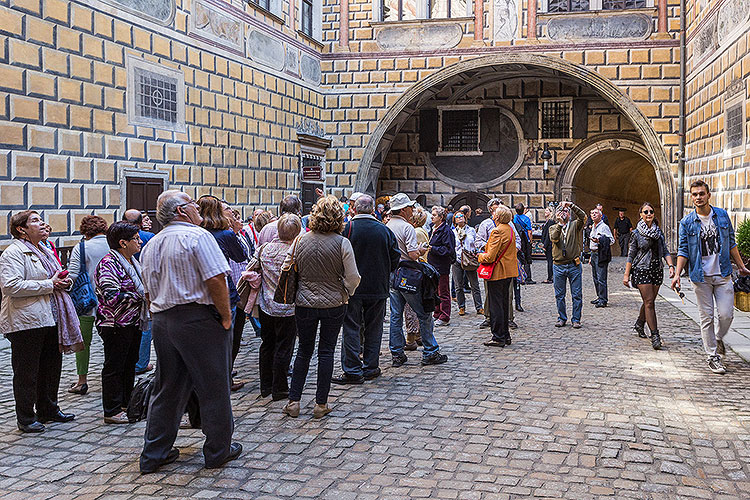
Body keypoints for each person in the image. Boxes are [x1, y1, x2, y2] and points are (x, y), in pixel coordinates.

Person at [139, 190, 241, 473]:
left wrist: (159, 314)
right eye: (193, 204)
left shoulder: (152, 244)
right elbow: (216, 279)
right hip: (198, 320)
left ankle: (154, 452)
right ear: (181, 211)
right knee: (214, 386)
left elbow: (148, 290)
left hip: (163, 320)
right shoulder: (197, 237)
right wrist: (225, 316)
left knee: (167, 387)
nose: (198, 208)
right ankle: (218, 450)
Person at [0, 211, 79, 433]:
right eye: (34, 220)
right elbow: (10, 286)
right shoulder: (13, 253)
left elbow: (56, 276)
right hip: (26, 320)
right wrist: (49, 284)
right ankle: (25, 417)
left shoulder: (45, 249)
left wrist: (64, 281)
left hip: (52, 316)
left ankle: (49, 409)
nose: (41, 223)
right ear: (21, 229)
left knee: (51, 367)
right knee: (27, 371)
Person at [282, 196, 361, 419]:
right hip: (334, 302)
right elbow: (353, 277)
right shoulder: (342, 242)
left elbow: (286, 266)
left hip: (305, 301)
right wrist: (345, 290)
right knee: (327, 351)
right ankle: (320, 404)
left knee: (304, 351)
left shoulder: (300, 240)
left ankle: (294, 401)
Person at [672, 180, 750, 374]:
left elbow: (731, 242)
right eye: (695, 194)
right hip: (700, 276)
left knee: (726, 314)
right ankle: (712, 356)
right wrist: (677, 274)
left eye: (701, 193)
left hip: (723, 273)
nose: (698, 197)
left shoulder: (722, 216)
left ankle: (718, 337)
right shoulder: (687, 222)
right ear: (691, 197)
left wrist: (741, 266)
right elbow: (683, 250)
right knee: (706, 317)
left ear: (708, 195)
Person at [333, 195, 399, 385]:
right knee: (374, 328)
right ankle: (371, 367)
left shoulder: (347, 229)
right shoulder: (384, 230)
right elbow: (395, 258)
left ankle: (352, 369)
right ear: (372, 209)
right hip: (378, 287)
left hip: (352, 288)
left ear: (355, 209)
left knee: (351, 327)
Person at [93, 222, 147, 424]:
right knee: (114, 367)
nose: (140, 241)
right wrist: (142, 296)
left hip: (133, 321)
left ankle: (126, 403)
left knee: (129, 364)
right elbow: (110, 295)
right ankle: (112, 409)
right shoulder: (109, 263)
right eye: (136, 238)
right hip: (115, 324)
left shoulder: (131, 261)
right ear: (123, 243)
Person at [387, 193, 448, 367]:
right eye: (411, 208)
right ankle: (430, 351)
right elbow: (413, 255)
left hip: (393, 274)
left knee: (396, 315)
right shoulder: (407, 228)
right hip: (408, 275)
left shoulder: (387, 226)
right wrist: (421, 250)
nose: (412, 211)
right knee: (424, 313)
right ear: (404, 210)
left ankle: (397, 353)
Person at [253, 213, 301, 400]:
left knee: (267, 345)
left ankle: (265, 386)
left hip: (267, 305)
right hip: (288, 308)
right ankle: (280, 388)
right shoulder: (295, 253)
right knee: (284, 347)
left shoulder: (264, 249)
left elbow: (252, 268)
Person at [67, 215, 110, 395]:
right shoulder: (112, 244)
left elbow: (73, 274)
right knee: (110, 341)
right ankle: (109, 378)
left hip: (86, 302)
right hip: (109, 302)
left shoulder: (82, 247)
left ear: (85, 230)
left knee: (83, 342)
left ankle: (82, 381)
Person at [622, 202, 675, 350]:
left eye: (651, 211)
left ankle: (640, 323)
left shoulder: (659, 232)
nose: (649, 214)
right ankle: (655, 335)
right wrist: (626, 275)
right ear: (641, 215)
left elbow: (665, 251)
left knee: (648, 302)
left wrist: (671, 266)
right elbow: (631, 255)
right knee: (650, 302)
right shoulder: (636, 233)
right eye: (645, 212)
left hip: (656, 270)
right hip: (641, 269)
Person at [478, 206, 518, 347]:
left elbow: (490, 256)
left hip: (497, 272)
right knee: (504, 303)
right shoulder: (510, 230)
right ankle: (505, 335)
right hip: (508, 271)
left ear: (499, 217)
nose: (493, 215)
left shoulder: (497, 231)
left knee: (496, 306)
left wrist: (479, 256)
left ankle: (498, 336)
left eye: (495, 214)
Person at [123, 209, 156, 376]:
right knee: (146, 328)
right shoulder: (149, 237)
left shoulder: (116, 237)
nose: (139, 242)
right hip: (144, 289)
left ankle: (134, 362)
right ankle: (141, 362)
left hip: (129, 295)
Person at [549, 201, 586, 328]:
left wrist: (571, 205)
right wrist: (559, 224)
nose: (563, 213)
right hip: (558, 265)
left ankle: (576, 319)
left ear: (569, 215)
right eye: (560, 211)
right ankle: (562, 318)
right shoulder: (553, 228)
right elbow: (554, 238)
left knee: (576, 294)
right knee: (560, 295)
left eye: (565, 211)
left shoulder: (575, 225)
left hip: (573, 265)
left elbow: (583, 216)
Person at [404, 205, 429, 350]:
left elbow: (415, 254)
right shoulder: (419, 231)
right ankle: (418, 334)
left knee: (411, 308)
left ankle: (412, 337)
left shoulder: (416, 232)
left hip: (414, 272)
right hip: (419, 271)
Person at [428, 206, 456, 326]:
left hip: (441, 265)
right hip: (433, 264)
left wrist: (433, 249)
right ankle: (437, 312)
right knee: (435, 291)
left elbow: (448, 250)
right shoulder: (433, 228)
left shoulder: (446, 231)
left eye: (434, 215)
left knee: (443, 291)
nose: (431, 217)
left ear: (441, 217)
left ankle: (445, 316)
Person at [452, 211, 483, 316]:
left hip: (469, 259)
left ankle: (479, 307)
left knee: (475, 285)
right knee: (458, 286)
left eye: (461, 216)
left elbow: (475, 243)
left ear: (465, 218)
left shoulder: (471, 230)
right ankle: (461, 307)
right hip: (457, 259)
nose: (460, 218)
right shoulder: (453, 232)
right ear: (455, 220)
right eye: (457, 217)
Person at [588, 208, 614, 308]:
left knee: (601, 278)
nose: (593, 215)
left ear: (600, 216)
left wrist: (600, 241)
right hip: (594, 254)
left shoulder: (604, 227)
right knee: (595, 277)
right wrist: (591, 256)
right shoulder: (593, 227)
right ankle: (599, 296)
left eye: (595, 213)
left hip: (601, 254)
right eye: (592, 213)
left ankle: (603, 300)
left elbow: (611, 240)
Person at [513, 203, 535, 284]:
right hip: (525, 240)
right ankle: (527, 277)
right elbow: (529, 231)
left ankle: (518, 276)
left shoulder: (514, 218)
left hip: (517, 240)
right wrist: (530, 241)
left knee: (518, 258)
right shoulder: (526, 218)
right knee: (526, 259)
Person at [540, 207, 555, 283]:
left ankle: (550, 277)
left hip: (549, 245)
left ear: (550, 212)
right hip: (547, 244)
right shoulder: (548, 221)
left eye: (547, 210)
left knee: (550, 261)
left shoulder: (550, 221)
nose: (545, 211)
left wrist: (545, 245)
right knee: (549, 261)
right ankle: (551, 277)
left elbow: (549, 235)